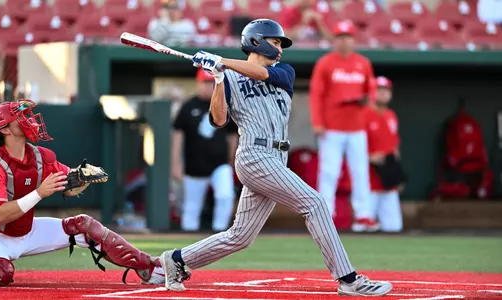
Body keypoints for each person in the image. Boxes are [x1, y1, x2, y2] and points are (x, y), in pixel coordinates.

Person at [158, 18, 393, 296]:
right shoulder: (228, 75)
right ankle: (348, 279)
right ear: (256, 41)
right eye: (275, 42)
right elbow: (219, 120)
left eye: (281, 43)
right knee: (315, 203)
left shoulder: (284, 71)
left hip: (277, 156)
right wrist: (219, 79)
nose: (280, 48)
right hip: (254, 156)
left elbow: (261, 74)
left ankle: (177, 260)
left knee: (240, 237)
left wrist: (222, 62)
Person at [0, 100, 165, 287]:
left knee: (83, 225)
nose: (29, 120)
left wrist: (82, 177)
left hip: (26, 231)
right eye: (20, 117)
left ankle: (148, 267)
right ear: (4, 129)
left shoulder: (38, 157)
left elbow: (69, 187)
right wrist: (39, 193)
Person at [309, 20, 378, 232]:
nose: (344, 41)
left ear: (353, 39)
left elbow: (372, 92)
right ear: (335, 39)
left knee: (360, 172)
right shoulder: (326, 62)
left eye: (347, 37)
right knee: (329, 172)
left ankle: (364, 215)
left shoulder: (363, 63)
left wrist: (366, 100)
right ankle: (325, 214)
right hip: (332, 127)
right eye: (340, 37)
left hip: (357, 127)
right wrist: (318, 122)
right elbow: (316, 95)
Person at [172, 68, 238, 232]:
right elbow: (178, 136)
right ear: (198, 83)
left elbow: (232, 135)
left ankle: (220, 231)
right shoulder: (188, 106)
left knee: (225, 195)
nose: (208, 87)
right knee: (192, 205)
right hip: (195, 166)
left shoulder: (223, 104)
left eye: (211, 83)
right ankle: (188, 240)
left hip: (220, 163)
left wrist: (232, 159)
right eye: (205, 83)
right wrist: (175, 164)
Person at [365, 76, 404, 232]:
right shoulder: (363, 114)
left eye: (386, 90)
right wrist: (369, 157)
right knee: (364, 228)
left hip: (388, 181)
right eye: (378, 90)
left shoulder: (391, 116)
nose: (382, 94)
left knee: (394, 228)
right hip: (369, 181)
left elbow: (395, 148)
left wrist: (398, 176)